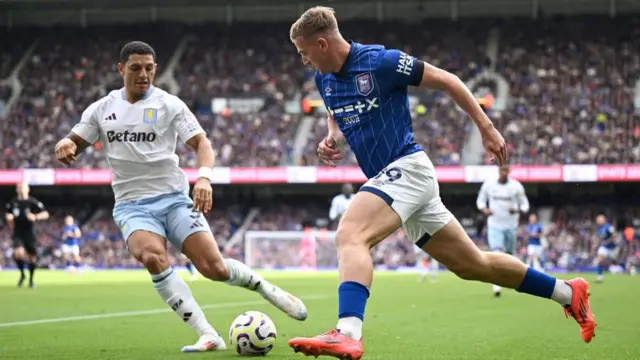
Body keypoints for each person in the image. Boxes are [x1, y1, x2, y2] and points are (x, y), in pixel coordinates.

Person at [287, 7, 596, 359]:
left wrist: (487, 127)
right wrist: (331, 138)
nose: (304, 61)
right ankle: (569, 293)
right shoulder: (323, 80)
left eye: (304, 52)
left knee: (350, 234)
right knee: (473, 265)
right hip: (393, 181)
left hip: (407, 168)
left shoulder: (381, 62)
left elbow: (448, 80)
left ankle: (347, 332)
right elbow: (334, 111)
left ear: (323, 43)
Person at [54, 41, 307, 353]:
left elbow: (203, 144)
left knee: (214, 269)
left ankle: (265, 288)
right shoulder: (101, 109)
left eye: (149, 68)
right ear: (121, 70)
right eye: (135, 68)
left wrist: (203, 177)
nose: (143, 74)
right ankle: (207, 334)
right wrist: (64, 144)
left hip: (174, 198)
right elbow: (74, 141)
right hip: (133, 205)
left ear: (155, 69)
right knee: (152, 257)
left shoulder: (169, 105)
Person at [476, 165, 530, 297]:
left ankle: (510, 278)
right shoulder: (489, 185)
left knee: (510, 254)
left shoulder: (516, 187)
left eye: (506, 171)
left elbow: (525, 205)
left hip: (511, 225)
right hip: (494, 225)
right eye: (502, 170)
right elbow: (480, 201)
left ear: (509, 172)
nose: (503, 173)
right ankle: (496, 286)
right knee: (497, 251)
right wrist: (485, 210)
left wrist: (517, 210)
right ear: (499, 171)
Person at [5, 182, 49, 288]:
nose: (21, 189)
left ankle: (31, 279)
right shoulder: (13, 202)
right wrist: (9, 217)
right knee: (18, 253)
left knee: (32, 258)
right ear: (16, 189)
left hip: (30, 233)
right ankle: (22, 274)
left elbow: (45, 214)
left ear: (28, 189)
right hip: (18, 233)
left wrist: (36, 217)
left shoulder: (32, 202)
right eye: (19, 187)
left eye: (23, 187)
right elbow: (8, 213)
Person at [594, 214, 617, 283]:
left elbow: (614, 235)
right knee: (600, 259)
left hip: (613, 248)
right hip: (604, 247)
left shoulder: (608, 227)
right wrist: (595, 245)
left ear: (603, 220)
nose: (598, 221)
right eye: (597, 220)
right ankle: (599, 277)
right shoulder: (598, 228)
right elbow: (598, 238)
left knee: (615, 261)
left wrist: (608, 241)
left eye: (599, 219)